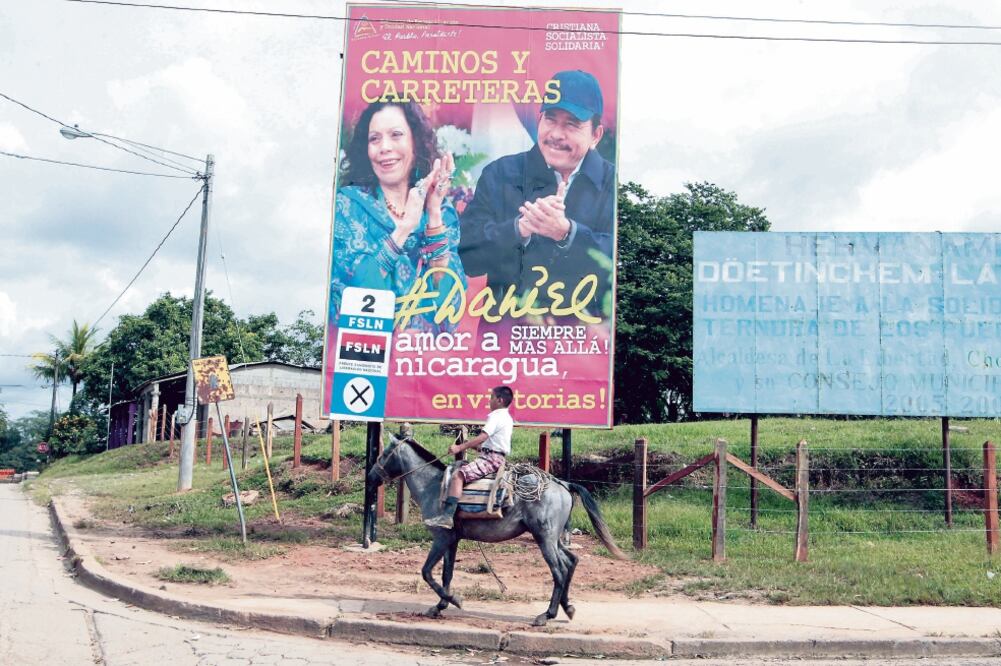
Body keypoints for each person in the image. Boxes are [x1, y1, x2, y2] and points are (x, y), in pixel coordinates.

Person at [458, 70, 615, 311]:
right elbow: (467, 257)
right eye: (550, 119)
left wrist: (567, 233)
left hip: (583, 339)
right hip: (503, 337)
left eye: (571, 124)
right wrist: (519, 229)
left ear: (596, 135)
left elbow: (619, 259)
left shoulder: (611, 183)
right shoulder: (500, 174)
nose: (556, 134)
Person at [332, 100, 466, 332]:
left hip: (423, 361)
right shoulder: (347, 206)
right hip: (366, 357)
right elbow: (350, 297)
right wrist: (403, 229)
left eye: (396, 135)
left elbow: (451, 310)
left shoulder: (443, 213)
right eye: (374, 139)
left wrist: (433, 214)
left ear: (416, 143)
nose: (384, 147)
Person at [424, 386, 514, 529]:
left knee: (458, 476)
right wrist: (471, 445)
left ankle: (447, 517)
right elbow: (491, 443)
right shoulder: (506, 417)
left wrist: (459, 447)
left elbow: (483, 436)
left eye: (491, 398)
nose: (489, 401)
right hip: (494, 456)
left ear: (499, 400)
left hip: (491, 459)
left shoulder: (496, 416)